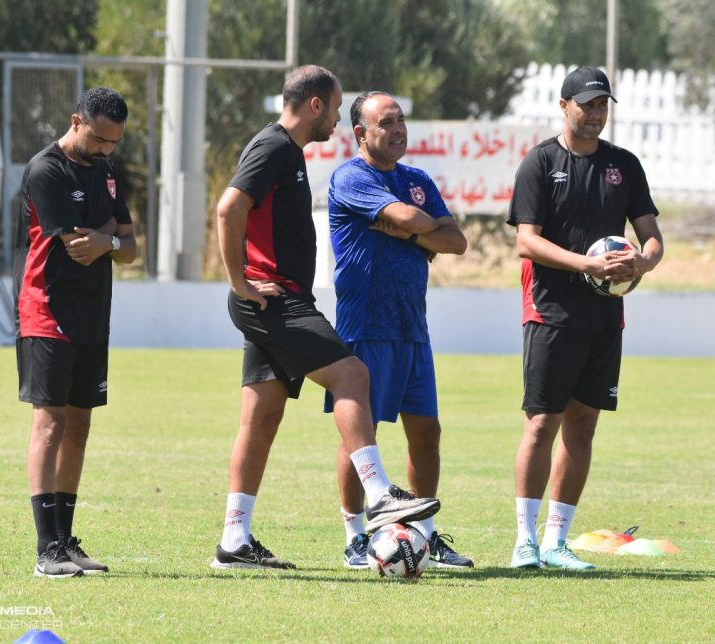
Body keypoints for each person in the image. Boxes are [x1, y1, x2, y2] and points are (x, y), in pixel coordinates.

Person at [212, 66, 441, 570]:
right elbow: (229, 209)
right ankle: (379, 494)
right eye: (336, 109)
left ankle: (234, 540)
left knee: (260, 419)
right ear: (315, 104)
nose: (337, 119)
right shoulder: (274, 147)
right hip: (274, 301)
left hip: (275, 300)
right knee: (351, 374)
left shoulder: (288, 153)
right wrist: (240, 283)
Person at [506, 66, 664, 570]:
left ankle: (556, 542)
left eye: (602, 105)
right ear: (564, 105)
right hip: (550, 311)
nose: (595, 113)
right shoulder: (539, 162)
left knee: (584, 424)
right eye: (586, 104)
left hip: (605, 315)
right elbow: (525, 241)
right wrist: (587, 264)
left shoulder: (624, 165)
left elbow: (652, 236)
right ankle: (524, 541)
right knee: (541, 425)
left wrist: (642, 261)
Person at [324, 91, 474, 570]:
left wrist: (409, 232)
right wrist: (417, 228)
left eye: (401, 120)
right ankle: (354, 536)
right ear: (361, 134)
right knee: (360, 436)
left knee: (427, 433)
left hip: (412, 325)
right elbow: (415, 218)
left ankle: (425, 535)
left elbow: (456, 241)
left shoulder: (417, 179)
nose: (397, 129)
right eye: (385, 122)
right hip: (366, 325)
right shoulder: (351, 176)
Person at [14, 87, 136, 577]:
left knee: (80, 426)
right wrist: (111, 237)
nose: (106, 151)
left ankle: (65, 540)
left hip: (92, 317)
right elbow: (78, 246)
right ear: (76, 120)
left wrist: (108, 237)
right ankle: (47, 550)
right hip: (48, 311)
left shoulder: (104, 171)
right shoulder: (47, 170)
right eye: (100, 140)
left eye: (114, 143)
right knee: (51, 425)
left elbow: (129, 247)